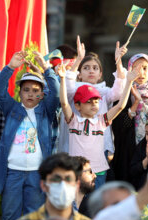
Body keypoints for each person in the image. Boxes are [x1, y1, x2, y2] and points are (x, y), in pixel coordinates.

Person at [0, 50, 59, 220]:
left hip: (37, 173)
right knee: (10, 215)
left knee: (34, 217)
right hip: (13, 172)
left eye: (36, 90)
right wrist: (11, 67)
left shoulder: (45, 111)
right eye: (26, 89)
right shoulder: (12, 108)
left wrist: (46, 69)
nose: (30, 94)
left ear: (42, 94)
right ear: (19, 92)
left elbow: (56, 94)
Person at [59, 51, 138, 188]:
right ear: (77, 106)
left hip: (98, 172)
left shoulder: (102, 121)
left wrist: (129, 81)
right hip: (75, 171)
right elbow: (64, 103)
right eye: (88, 101)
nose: (94, 104)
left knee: (95, 206)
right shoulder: (74, 121)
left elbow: (120, 106)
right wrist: (62, 79)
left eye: (96, 101)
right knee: (75, 205)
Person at [58, 37, 127, 164]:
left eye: (95, 68)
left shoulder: (104, 92)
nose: (91, 71)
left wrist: (119, 62)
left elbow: (118, 92)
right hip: (74, 149)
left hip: (99, 149)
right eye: (86, 68)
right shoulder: (73, 91)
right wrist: (78, 59)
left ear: (100, 74)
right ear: (79, 73)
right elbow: (67, 87)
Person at [5, 153, 91, 220]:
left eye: (68, 179)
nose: (63, 185)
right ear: (43, 185)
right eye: (56, 179)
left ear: (77, 185)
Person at [110, 53, 148, 182]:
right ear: (129, 69)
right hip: (126, 152)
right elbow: (119, 128)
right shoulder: (122, 93)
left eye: (145, 68)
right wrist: (135, 103)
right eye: (136, 68)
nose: (141, 72)